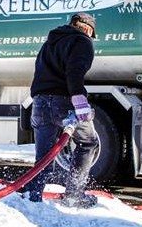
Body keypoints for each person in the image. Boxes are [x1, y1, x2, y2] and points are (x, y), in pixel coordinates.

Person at [25, 12, 100, 208]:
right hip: (64, 102)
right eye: (91, 33)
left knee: (44, 157)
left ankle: (34, 198)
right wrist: (78, 98)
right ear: (88, 29)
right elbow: (75, 71)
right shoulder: (82, 41)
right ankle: (74, 195)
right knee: (87, 143)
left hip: (40, 103)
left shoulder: (50, 42)